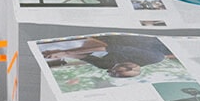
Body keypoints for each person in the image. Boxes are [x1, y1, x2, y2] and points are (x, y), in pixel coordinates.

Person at [42, 34, 171, 78]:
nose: (111, 69)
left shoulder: (105, 65)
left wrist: (61, 55)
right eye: (116, 71)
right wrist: (64, 53)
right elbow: (108, 48)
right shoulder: (153, 57)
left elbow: (83, 57)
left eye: (113, 71)